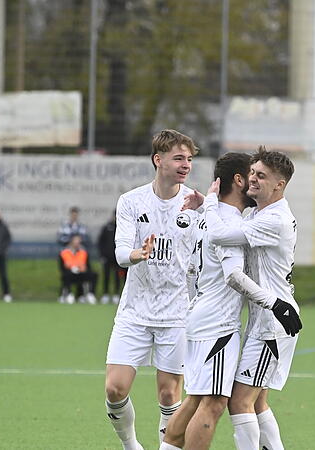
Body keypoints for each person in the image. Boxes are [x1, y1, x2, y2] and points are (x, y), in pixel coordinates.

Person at [160, 152, 301, 450]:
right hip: (224, 322)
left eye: (260, 176)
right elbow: (233, 274)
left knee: (221, 399)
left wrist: (206, 205)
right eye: (251, 174)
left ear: (279, 184)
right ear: (238, 180)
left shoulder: (257, 219)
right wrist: (209, 203)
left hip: (234, 320)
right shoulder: (234, 218)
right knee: (219, 403)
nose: (253, 180)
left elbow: (192, 266)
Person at [105, 129, 201, 450]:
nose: (185, 164)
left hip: (176, 314)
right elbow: (120, 253)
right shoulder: (132, 201)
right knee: (115, 390)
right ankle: (131, 445)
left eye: (189, 159)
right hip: (134, 312)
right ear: (158, 160)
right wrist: (138, 254)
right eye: (178, 158)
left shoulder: (195, 205)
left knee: (169, 394)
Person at [59, 234, 98, 304]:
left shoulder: (83, 252)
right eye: (75, 240)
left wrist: (83, 269)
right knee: (67, 276)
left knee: (93, 274)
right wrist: (72, 268)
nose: (77, 242)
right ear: (71, 241)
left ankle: (89, 294)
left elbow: (87, 266)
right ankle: (68, 294)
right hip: (70, 273)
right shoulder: (64, 252)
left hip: (81, 273)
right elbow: (62, 267)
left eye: (78, 240)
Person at [98, 211, 121, 305]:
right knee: (106, 276)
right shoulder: (107, 227)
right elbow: (101, 242)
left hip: (118, 258)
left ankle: (116, 294)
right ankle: (105, 294)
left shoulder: (122, 228)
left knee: (118, 277)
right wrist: (102, 255)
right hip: (107, 258)